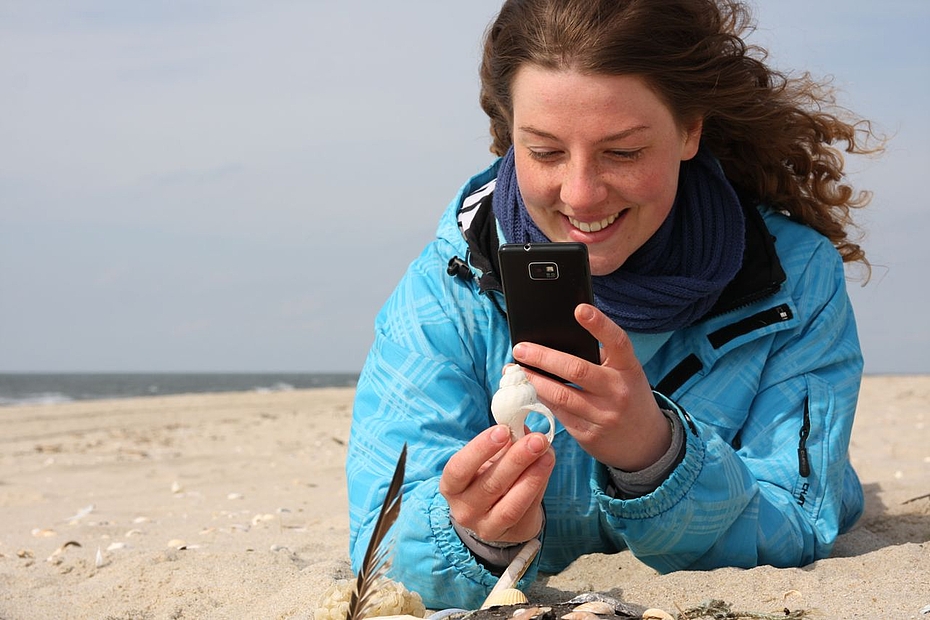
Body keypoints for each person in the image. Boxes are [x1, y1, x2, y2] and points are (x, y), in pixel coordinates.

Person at [346, 0, 881, 610]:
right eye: (545, 151)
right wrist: (472, 536)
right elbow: (380, 547)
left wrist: (655, 454)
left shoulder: (794, 274)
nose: (581, 195)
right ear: (509, 135)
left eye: (623, 152)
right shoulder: (449, 283)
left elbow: (801, 517)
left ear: (689, 130)